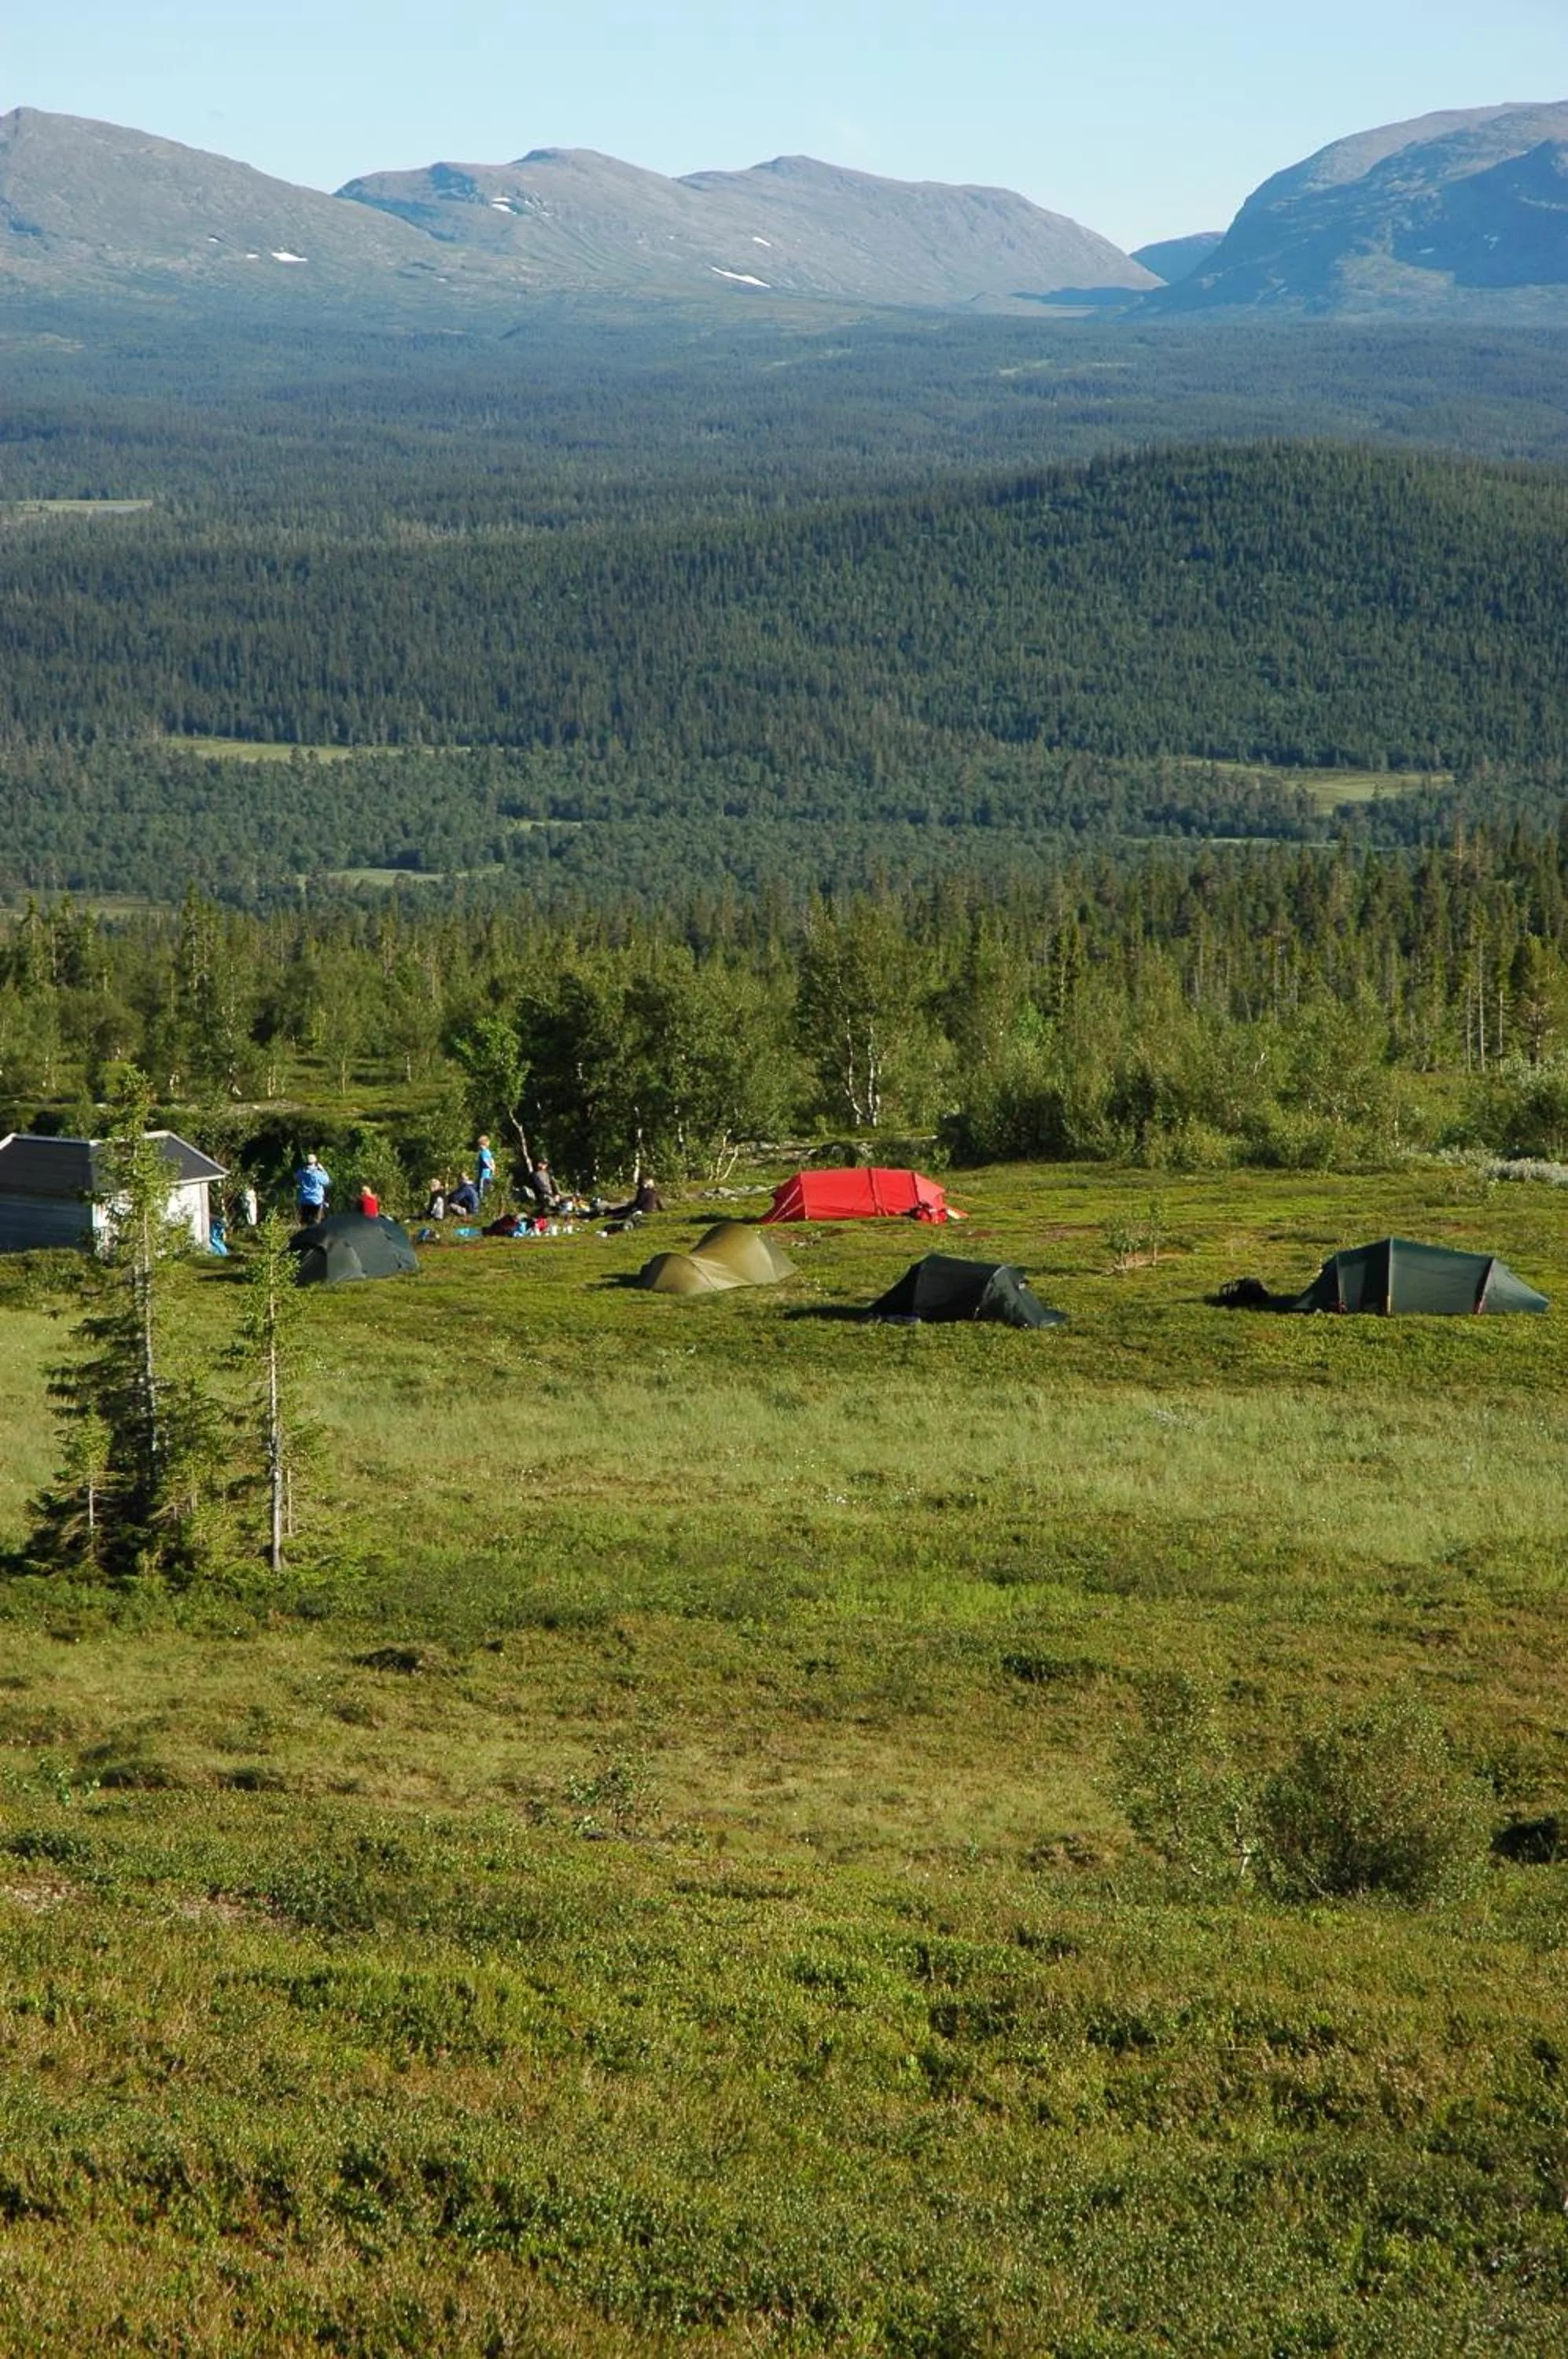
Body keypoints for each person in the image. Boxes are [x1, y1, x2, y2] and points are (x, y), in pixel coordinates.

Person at [296, 1152, 330, 1226]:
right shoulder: (317, 1174)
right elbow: (327, 1181)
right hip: (316, 1202)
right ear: (315, 1163)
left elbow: (297, 1177)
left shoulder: (301, 1172)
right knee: (316, 1223)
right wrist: (323, 1170)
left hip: (304, 1200)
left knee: (305, 1223)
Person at [476, 1135, 496, 1201]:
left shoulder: (483, 1153)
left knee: (482, 1192)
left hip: (483, 1175)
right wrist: (493, 1169)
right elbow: (492, 1161)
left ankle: (482, 1205)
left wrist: (491, 1168)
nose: (479, 1147)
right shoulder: (488, 1152)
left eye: (480, 1145)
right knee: (487, 1191)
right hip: (489, 1175)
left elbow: (485, 1161)